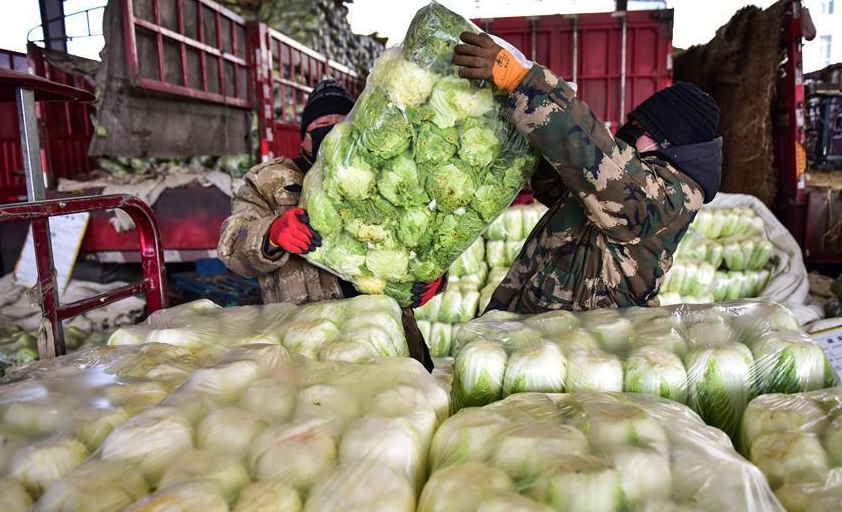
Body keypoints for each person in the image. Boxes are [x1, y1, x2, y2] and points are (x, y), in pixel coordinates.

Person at [452, 32, 723, 313]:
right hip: (549, 327)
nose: (628, 137)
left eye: (639, 129)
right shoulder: (632, 179)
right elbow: (563, 186)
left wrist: (524, 84)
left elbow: (600, 163)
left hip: (583, 341)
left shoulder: (671, 195)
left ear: (665, 142)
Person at [218, 79, 441, 370]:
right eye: (323, 123)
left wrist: (436, 275)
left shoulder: (386, 176)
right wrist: (270, 234)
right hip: (308, 345)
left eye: (343, 121)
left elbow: (423, 235)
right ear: (304, 138)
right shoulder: (268, 181)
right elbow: (231, 243)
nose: (334, 129)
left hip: (385, 336)